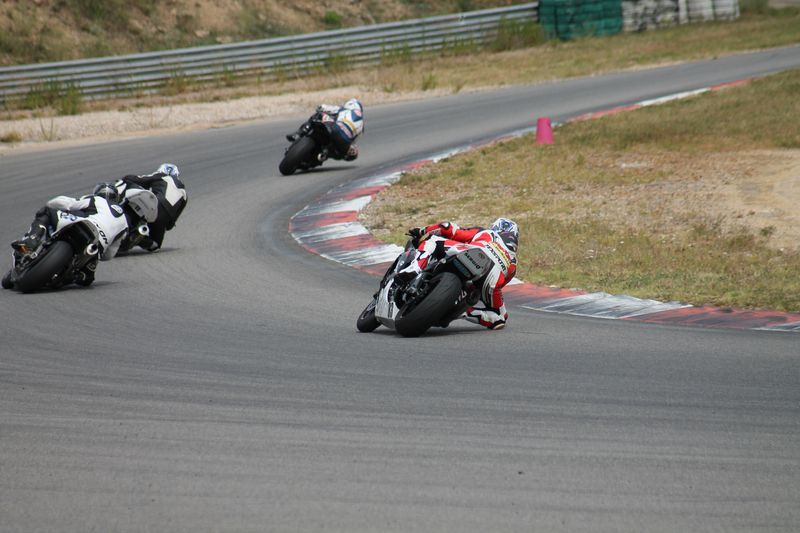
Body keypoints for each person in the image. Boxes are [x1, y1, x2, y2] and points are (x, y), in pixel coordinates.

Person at [9, 184, 157, 286]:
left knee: (46, 212)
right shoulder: (124, 223)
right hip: (96, 245)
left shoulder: (97, 199)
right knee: (86, 279)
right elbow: (110, 254)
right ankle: (78, 274)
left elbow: (69, 204)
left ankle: (31, 241)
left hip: (83, 225)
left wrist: (51, 203)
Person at [403, 217, 519, 330]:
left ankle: (415, 268)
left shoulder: (488, 233)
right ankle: (461, 312)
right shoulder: (513, 263)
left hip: (473, 252)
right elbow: (499, 285)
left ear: (495, 227)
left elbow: (448, 228)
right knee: (500, 317)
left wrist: (423, 230)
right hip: (492, 278)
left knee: (432, 240)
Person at [110, 163, 187, 251]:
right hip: (163, 219)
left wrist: (125, 178)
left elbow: (139, 179)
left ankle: (125, 227)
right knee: (155, 246)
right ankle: (139, 238)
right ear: (176, 175)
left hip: (153, 207)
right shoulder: (184, 194)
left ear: (161, 171)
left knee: (135, 204)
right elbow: (172, 222)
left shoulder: (161, 176)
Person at [286, 98, 364, 161]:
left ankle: (299, 133)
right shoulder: (361, 127)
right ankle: (325, 154)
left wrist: (321, 108)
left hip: (334, 129)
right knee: (351, 154)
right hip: (344, 142)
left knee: (318, 115)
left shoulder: (343, 110)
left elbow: (323, 107)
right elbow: (354, 141)